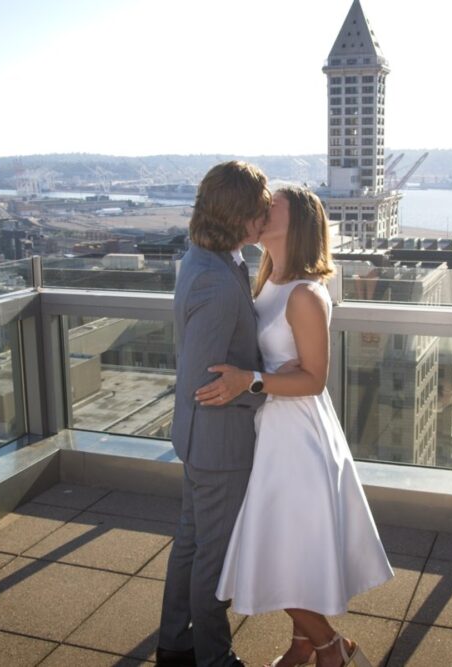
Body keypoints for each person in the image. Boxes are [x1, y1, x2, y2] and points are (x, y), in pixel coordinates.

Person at [198, 187, 393, 667]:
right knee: (289, 545)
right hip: (274, 429)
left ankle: (333, 649)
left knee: (276, 550)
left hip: (296, 435)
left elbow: (313, 378)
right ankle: (303, 644)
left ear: (299, 222)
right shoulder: (266, 280)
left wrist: (251, 380)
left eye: (272, 207)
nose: (260, 212)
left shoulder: (305, 293)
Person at [157, 160, 272, 667]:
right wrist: (266, 389)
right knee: (213, 556)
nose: (265, 216)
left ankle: (174, 641)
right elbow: (210, 381)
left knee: (191, 540)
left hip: (200, 438)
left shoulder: (209, 259)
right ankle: (214, 658)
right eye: (259, 210)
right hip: (219, 444)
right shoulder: (219, 281)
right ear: (239, 216)